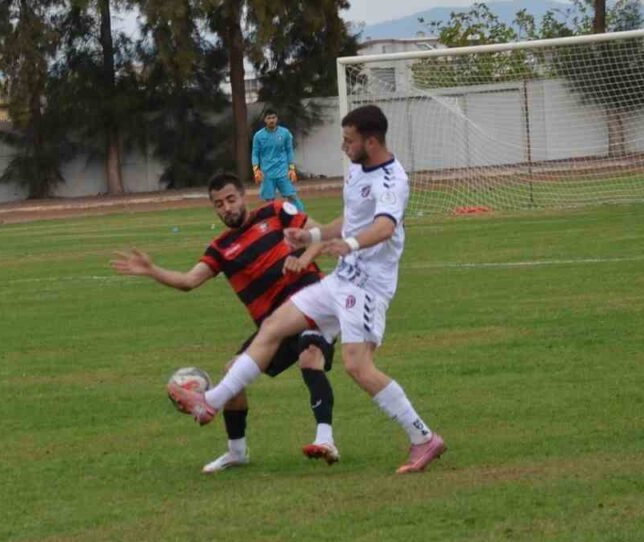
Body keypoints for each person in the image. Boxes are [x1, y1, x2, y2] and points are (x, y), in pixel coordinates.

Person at [170, 105, 446, 474]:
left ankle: (424, 438)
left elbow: (383, 228)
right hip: (340, 280)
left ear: (372, 140)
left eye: (349, 141)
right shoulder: (358, 171)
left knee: (357, 367)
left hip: (367, 288)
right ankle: (211, 402)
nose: (343, 147)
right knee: (272, 327)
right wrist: (312, 236)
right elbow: (351, 219)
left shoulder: (392, 181)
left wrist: (348, 246)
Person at [111, 172, 340, 473]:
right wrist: (152, 270)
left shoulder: (276, 212)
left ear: (244, 196)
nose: (226, 208)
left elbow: (322, 235)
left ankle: (326, 440)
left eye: (231, 199)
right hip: (274, 324)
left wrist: (302, 257)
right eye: (219, 204)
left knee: (310, 356)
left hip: (314, 304)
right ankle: (237, 452)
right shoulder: (220, 248)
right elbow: (189, 281)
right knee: (234, 371)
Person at [251, 109, 305, 212]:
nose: (271, 120)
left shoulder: (285, 133)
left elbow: (289, 151)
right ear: (265, 120)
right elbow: (255, 154)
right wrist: (256, 170)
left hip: (283, 172)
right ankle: (272, 222)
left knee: (292, 196)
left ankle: (301, 217)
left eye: (273, 118)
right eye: (269, 118)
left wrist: (291, 168)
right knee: (269, 202)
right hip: (267, 174)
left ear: (277, 119)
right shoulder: (258, 136)